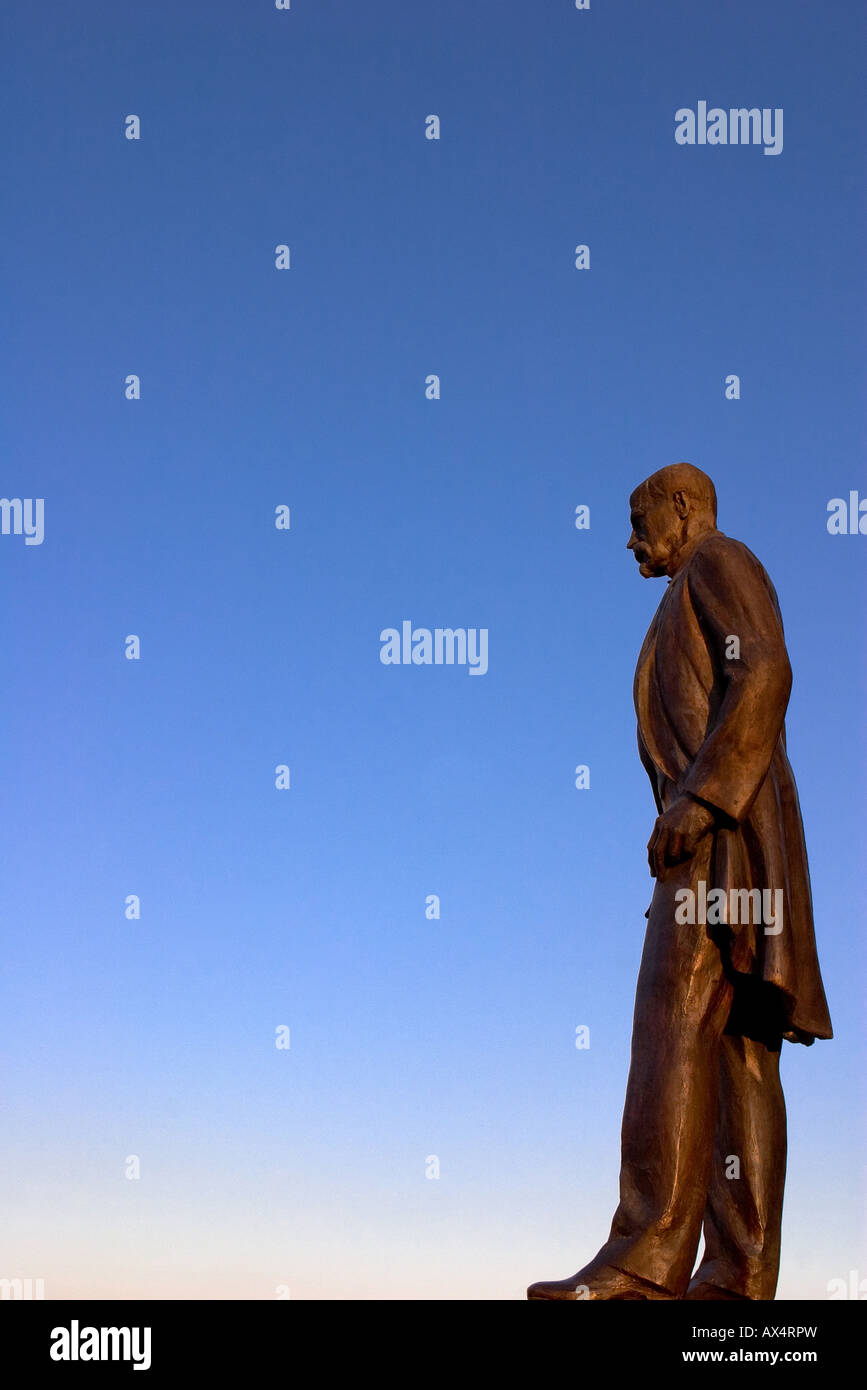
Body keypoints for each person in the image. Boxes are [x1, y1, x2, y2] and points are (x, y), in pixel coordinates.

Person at [528, 463, 832, 1301]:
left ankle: (646, 1260)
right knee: (735, 1052)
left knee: (671, 1026)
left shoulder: (716, 563)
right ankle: (737, 1281)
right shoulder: (690, 585)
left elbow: (764, 670)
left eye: (638, 521)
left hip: (717, 840)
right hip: (734, 835)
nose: (630, 541)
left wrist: (696, 801)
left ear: (682, 508)